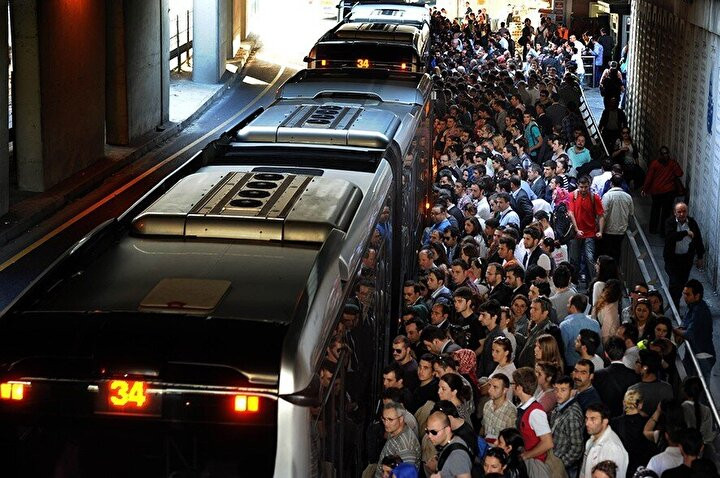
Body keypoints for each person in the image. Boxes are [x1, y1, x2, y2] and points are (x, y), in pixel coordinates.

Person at [663, 203, 705, 307]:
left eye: (684, 211)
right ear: (675, 212)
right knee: (674, 282)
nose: (682, 214)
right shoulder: (670, 222)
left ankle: (673, 302)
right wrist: (685, 233)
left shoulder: (692, 223)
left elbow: (698, 239)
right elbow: (670, 237)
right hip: (672, 259)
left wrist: (700, 257)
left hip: (685, 259)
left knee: (682, 283)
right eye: (679, 212)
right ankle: (674, 306)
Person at [673, 279, 716, 378]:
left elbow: (689, 334)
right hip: (693, 355)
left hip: (702, 356)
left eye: (688, 295)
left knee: (699, 389)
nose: (684, 297)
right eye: (684, 294)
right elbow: (685, 325)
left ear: (697, 296)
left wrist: (673, 329)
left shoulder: (700, 311)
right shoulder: (692, 307)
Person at [511, 367, 554, 464]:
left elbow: (548, 443)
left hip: (535, 463)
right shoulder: (523, 407)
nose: (511, 386)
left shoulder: (535, 412)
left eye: (513, 383)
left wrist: (526, 455)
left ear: (519, 387)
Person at [611, 389, 656, 478]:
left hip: (620, 468)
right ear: (640, 405)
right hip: (642, 469)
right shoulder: (648, 424)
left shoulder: (614, 423)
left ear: (624, 403)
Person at [568, 176, 605, 284]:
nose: (583, 189)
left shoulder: (595, 197)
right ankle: (574, 282)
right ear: (578, 186)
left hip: (590, 233)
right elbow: (571, 213)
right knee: (574, 259)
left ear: (589, 186)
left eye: (585, 187)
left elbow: (601, 215)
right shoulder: (572, 196)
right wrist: (576, 229)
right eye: (581, 187)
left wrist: (600, 231)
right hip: (576, 234)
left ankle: (593, 282)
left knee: (589, 258)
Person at [592, 337, 640, 418]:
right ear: (624, 352)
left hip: (605, 418)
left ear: (606, 354)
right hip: (627, 420)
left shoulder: (598, 375)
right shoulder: (634, 376)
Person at [374, 402, 422, 477]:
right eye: (384, 419)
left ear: (401, 419)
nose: (386, 423)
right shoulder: (394, 431)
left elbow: (405, 475)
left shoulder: (405, 446)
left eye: (390, 419)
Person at [642, 147, 683, 236]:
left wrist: (645, 189)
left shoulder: (655, 164)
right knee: (666, 212)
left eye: (666, 153)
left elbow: (649, 178)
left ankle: (653, 229)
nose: (666, 155)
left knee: (655, 210)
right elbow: (679, 173)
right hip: (668, 191)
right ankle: (663, 231)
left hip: (656, 192)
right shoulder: (672, 163)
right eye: (665, 154)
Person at [580, 403, 629, 478]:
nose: (587, 423)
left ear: (605, 421)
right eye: (586, 418)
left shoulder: (612, 448)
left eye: (593, 419)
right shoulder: (592, 438)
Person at [425, 411, 472, 478]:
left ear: (447, 429)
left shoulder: (457, 455)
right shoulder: (450, 443)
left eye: (434, 432)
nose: (429, 436)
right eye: (427, 431)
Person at [627, 349, 674, 416]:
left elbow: (629, 416)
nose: (635, 363)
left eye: (638, 361)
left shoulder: (633, 390)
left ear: (645, 368)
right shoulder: (667, 388)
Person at [559, 294, 601, 366]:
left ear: (573, 307)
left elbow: (562, 350)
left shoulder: (565, 326)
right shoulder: (595, 323)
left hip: (571, 367)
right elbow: (599, 348)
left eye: (568, 303)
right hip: (592, 365)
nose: (567, 305)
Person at [601, 174, 634, 263]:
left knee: (607, 253)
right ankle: (615, 271)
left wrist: (600, 230)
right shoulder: (628, 197)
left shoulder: (607, 196)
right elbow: (631, 213)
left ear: (611, 183)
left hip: (608, 230)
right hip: (621, 231)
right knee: (617, 253)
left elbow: (603, 215)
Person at [482, 373, 517, 443]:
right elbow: (483, 427)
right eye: (489, 385)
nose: (489, 390)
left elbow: (511, 440)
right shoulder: (487, 405)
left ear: (505, 390)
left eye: (495, 387)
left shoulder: (511, 412)